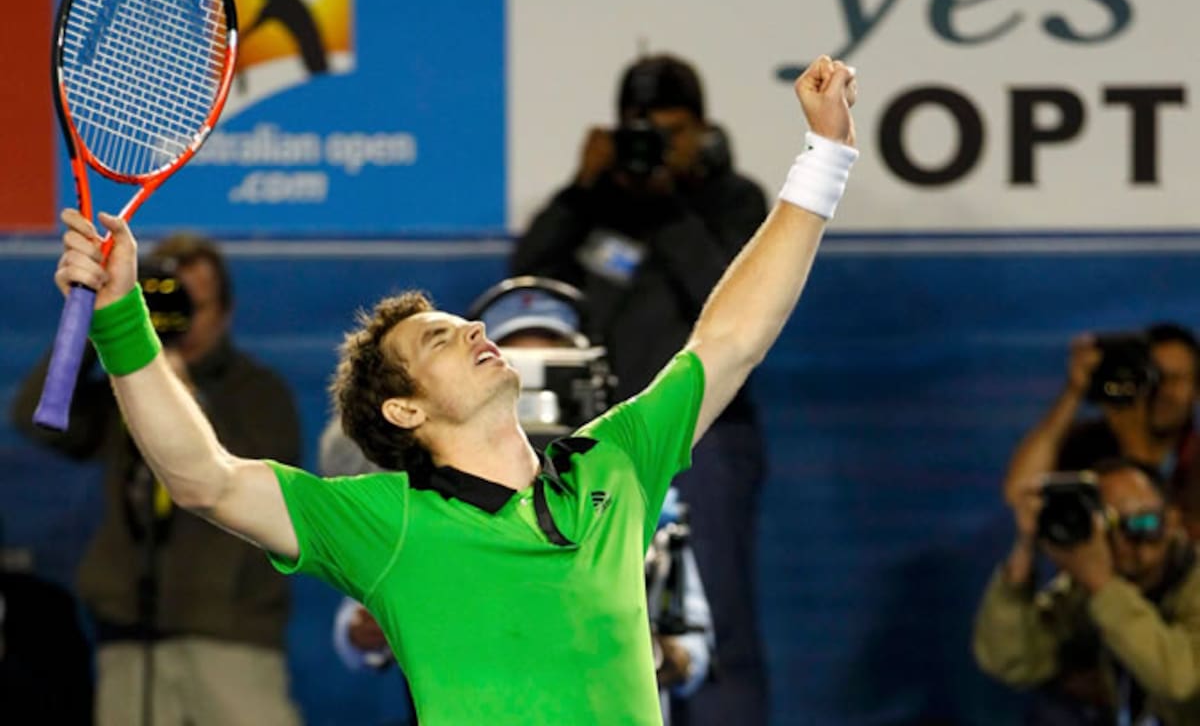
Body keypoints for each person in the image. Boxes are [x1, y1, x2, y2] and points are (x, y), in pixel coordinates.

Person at [49, 54, 859, 725]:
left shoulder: (614, 464)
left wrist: (825, 158)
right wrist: (123, 318)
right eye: (439, 337)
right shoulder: (386, 523)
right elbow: (205, 479)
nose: (477, 329)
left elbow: (731, 339)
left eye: (462, 325)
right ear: (404, 410)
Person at [321, 277, 715, 721]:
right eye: (518, 355)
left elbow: (694, 639)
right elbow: (358, 624)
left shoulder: (624, 479)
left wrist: (655, 654)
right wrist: (370, 630)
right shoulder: (417, 507)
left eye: (550, 356)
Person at [511, 53, 771, 724]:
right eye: (640, 126)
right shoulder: (591, 205)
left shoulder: (732, 200)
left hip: (702, 438)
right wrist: (578, 187)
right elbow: (525, 296)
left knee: (711, 624)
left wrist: (671, 204)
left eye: (671, 129)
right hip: (591, 443)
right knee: (587, 626)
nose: (653, 141)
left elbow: (737, 301)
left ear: (702, 131)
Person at [11, 233, 302, 726]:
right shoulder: (122, 391)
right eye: (166, 299)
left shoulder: (259, 391)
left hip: (230, 637)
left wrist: (179, 394)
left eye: (193, 302)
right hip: (129, 632)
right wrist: (104, 320)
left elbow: (256, 483)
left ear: (225, 312)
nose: (179, 316)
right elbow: (35, 417)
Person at [973, 458, 1200, 725]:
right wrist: (1024, 550)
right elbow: (1012, 661)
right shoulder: (1088, 589)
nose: (1128, 540)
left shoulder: (1109, 586)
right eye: (1110, 524)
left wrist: (1102, 585)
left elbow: (1182, 680)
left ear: (1172, 519)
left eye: (1144, 522)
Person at [1005, 326, 1200, 533]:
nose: (1161, 391)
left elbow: (1170, 535)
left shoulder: (1196, 459)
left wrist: (1134, 446)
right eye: (1154, 376)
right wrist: (1074, 390)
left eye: (1176, 379)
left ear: (1197, 388)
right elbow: (1020, 491)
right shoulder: (1088, 444)